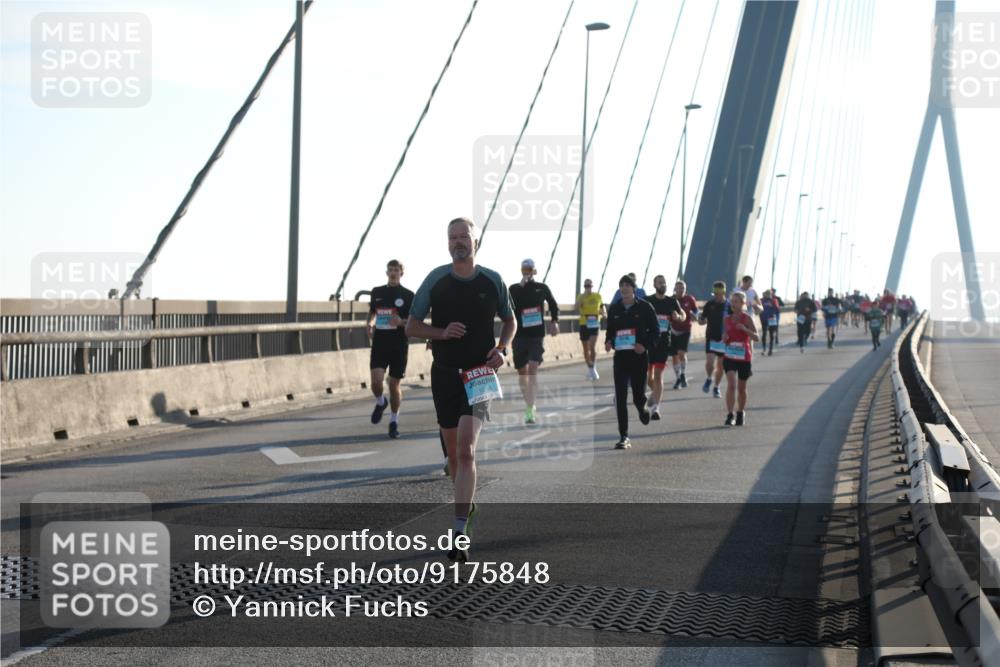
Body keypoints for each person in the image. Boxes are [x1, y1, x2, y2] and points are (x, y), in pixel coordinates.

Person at [405, 218, 516, 562]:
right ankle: (467, 508)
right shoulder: (436, 280)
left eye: (463, 236)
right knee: (453, 458)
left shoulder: (493, 280)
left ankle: (458, 532)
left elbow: (510, 320)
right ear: (447, 243)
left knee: (467, 451)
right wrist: (441, 332)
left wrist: (502, 348)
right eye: (452, 237)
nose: (458, 242)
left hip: (480, 373)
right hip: (445, 374)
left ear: (475, 241)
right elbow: (411, 326)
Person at [604, 274, 658, 449]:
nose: (625, 288)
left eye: (628, 285)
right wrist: (608, 341)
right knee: (620, 398)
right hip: (620, 358)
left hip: (639, 357)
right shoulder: (615, 309)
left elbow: (656, 332)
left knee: (637, 397)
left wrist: (645, 346)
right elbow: (610, 331)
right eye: (622, 285)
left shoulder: (645, 307)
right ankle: (624, 436)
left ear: (634, 289)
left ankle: (642, 409)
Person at [366, 259, 414, 438]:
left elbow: (413, 321)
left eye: (396, 270)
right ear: (386, 272)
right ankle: (380, 402)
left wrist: (401, 322)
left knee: (394, 384)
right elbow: (373, 313)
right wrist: (370, 324)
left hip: (399, 345)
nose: (393, 272)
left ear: (402, 273)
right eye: (390, 269)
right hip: (380, 343)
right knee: (376, 382)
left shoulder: (408, 295)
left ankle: (394, 421)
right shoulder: (377, 292)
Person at [508, 258, 559, 425]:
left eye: (530, 269)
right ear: (521, 270)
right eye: (524, 269)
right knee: (523, 373)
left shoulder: (542, 288)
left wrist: (554, 321)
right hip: (519, 336)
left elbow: (553, 304)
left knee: (532, 369)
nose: (527, 272)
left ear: (534, 271)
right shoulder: (514, 289)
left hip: (537, 335)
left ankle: (530, 408)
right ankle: (528, 403)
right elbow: (505, 307)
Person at [646, 275, 685, 420]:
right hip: (649, 342)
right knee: (647, 377)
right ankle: (654, 394)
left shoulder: (671, 301)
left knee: (658, 375)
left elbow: (683, 315)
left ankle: (656, 408)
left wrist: (678, 317)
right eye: (660, 282)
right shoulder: (648, 301)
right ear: (654, 284)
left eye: (664, 282)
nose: (663, 284)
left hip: (663, 342)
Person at [722, 291, 759, 426]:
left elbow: (756, 337)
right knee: (731, 385)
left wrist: (745, 329)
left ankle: (740, 412)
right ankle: (730, 414)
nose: (733, 304)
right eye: (732, 302)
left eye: (736, 302)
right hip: (730, 356)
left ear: (743, 304)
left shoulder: (747, 318)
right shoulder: (727, 319)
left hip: (744, 358)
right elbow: (725, 336)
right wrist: (725, 338)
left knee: (741, 388)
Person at [699, 281, 729, 398]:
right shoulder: (709, 304)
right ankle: (709, 378)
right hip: (711, 337)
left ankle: (716, 387)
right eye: (715, 292)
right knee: (710, 362)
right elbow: (702, 319)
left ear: (724, 292)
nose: (717, 295)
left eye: (719, 292)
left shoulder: (729, 306)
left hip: (723, 339)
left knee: (720, 366)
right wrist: (700, 320)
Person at [669, 279, 699, 388]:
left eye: (683, 288)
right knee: (674, 356)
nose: (681, 290)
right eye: (678, 288)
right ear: (675, 289)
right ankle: (678, 378)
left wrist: (695, 315)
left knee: (681, 353)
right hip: (672, 330)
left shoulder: (690, 299)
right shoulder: (670, 300)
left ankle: (683, 374)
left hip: (685, 329)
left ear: (685, 290)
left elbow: (696, 311)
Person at [576, 278, 606, 381]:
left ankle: (593, 367)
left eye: (589, 286)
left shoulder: (597, 296)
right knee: (585, 349)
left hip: (594, 323)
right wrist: (583, 297)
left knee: (592, 346)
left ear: (592, 286)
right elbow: (576, 307)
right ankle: (590, 368)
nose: (588, 287)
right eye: (586, 286)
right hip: (584, 323)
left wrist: (604, 313)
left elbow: (602, 306)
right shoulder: (581, 296)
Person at [760, 289, 781, 356]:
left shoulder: (774, 300)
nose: (768, 295)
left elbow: (777, 310)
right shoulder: (761, 301)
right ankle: (764, 349)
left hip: (772, 319)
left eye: (769, 294)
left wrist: (773, 306)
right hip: (764, 319)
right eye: (767, 294)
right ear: (764, 294)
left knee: (771, 335)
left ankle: (770, 349)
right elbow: (759, 308)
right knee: (764, 333)